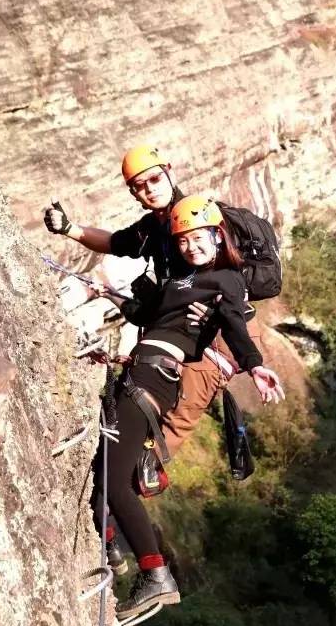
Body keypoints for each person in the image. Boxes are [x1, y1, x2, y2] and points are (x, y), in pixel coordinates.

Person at [88, 196, 284, 619]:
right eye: (183, 240)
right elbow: (149, 315)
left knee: (113, 478)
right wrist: (110, 295)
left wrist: (256, 367)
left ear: (217, 237)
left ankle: (155, 575)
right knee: (106, 467)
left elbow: (234, 324)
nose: (192, 246)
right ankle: (109, 543)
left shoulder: (227, 281)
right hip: (142, 367)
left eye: (200, 238)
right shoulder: (180, 282)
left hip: (154, 375)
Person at [43, 145, 263, 456]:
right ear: (133, 193)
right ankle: (119, 479)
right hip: (177, 332)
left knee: (170, 425)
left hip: (215, 335)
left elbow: (235, 274)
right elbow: (114, 242)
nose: (150, 189)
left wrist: (217, 314)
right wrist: (69, 229)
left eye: (155, 179)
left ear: (169, 172)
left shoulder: (201, 213)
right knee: (143, 409)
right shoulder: (152, 229)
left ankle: (126, 488)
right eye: (139, 186)